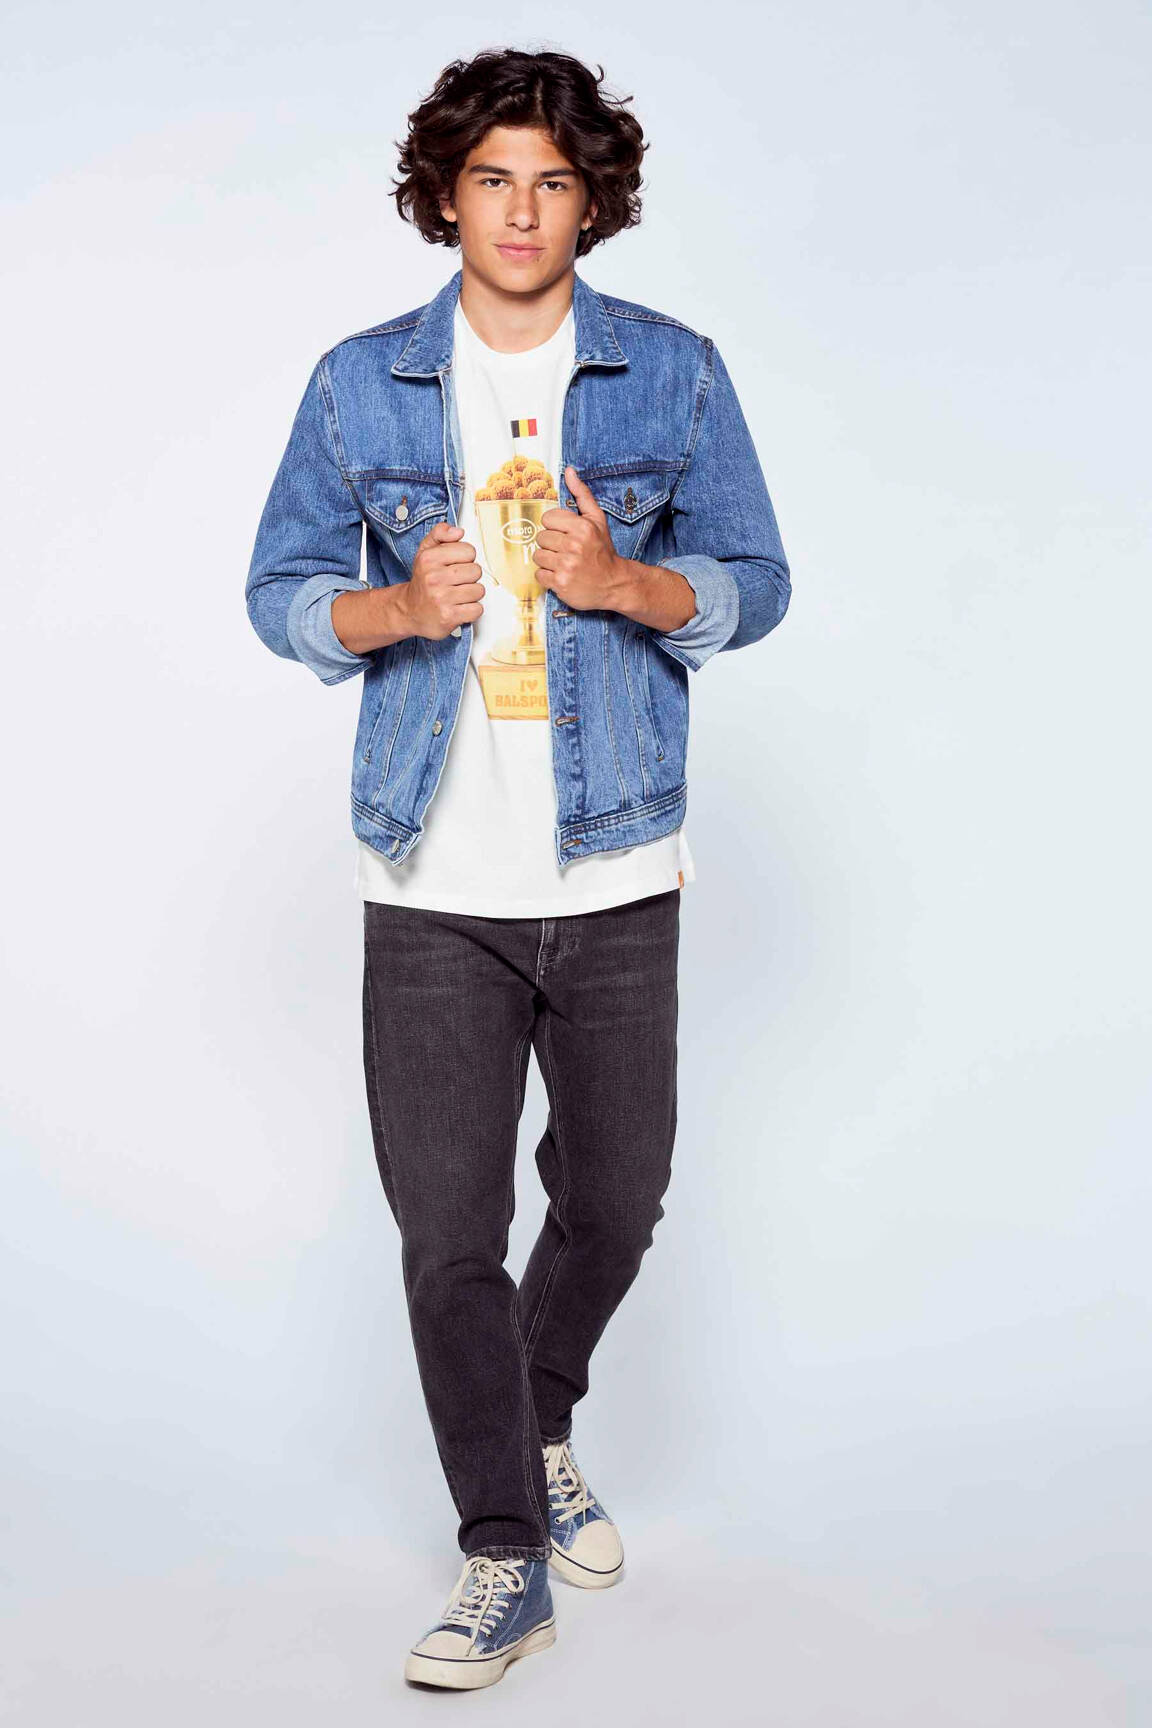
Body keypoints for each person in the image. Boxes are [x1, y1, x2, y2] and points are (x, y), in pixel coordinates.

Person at [245, 46, 790, 1691]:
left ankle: (535, 1421)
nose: (523, 210)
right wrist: (396, 612)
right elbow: (280, 594)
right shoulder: (360, 383)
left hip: (615, 864)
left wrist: (626, 584)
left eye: (553, 180)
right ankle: (504, 1554)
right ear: (446, 195)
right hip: (430, 881)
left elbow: (757, 581)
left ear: (591, 201)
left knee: (618, 1200)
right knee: (448, 1238)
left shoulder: (673, 373)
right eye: (493, 178)